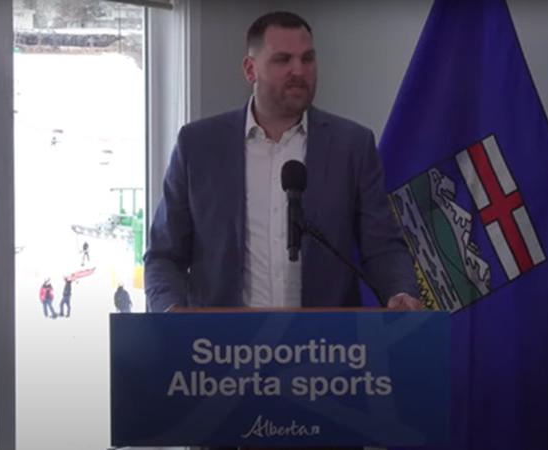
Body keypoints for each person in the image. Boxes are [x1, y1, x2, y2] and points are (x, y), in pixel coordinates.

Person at [144, 11, 421, 312]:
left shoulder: (352, 146)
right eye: (283, 60)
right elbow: (164, 255)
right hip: (221, 338)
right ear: (250, 69)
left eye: (307, 59)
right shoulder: (198, 145)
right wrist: (169, 311)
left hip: (325, 337)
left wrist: (400, 291)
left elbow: (382, 245)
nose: (299, 71)